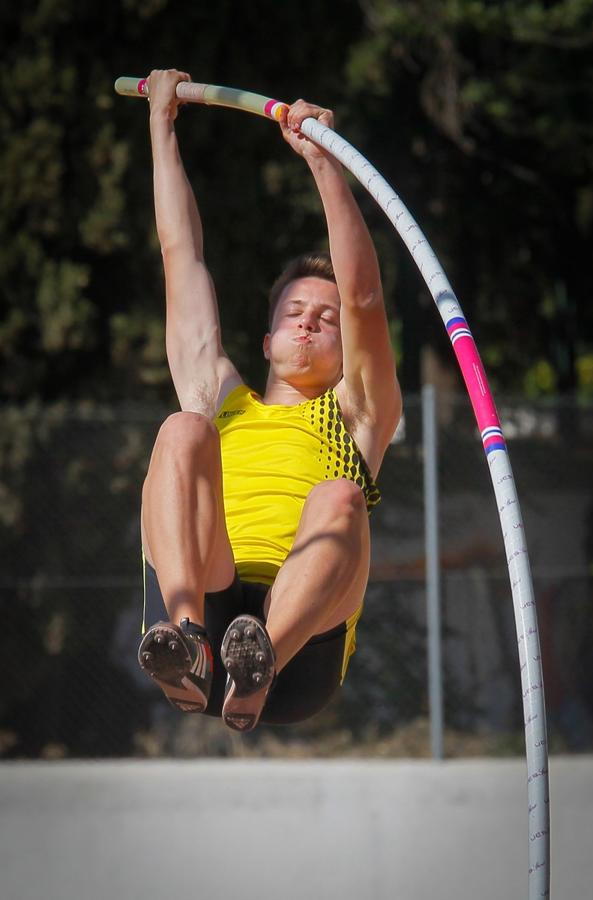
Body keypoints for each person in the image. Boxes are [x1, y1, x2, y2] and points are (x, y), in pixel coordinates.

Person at [137, 69, 402, 732]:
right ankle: (187, 643)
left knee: (340, 496)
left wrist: (323, 162)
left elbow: (364, 298)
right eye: (294, 312)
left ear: (346, 350)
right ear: (266, 339)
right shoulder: (220, 396)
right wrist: (161, 125)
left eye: (325, 318)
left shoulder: (356, 414)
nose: (309, 320)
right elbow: (180, 255)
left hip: (300, 647)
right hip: (210, 601)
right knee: (182, 430)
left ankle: (258, 665)